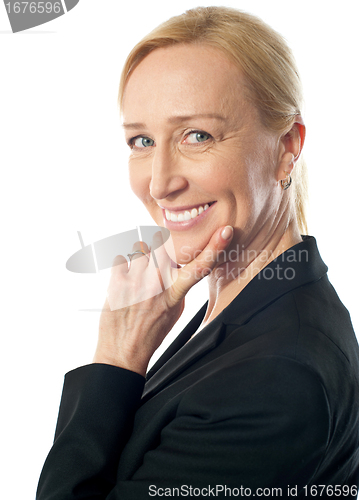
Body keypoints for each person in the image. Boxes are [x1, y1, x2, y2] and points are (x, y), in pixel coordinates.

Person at [36, 6, 359, 499]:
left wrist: (115, 358)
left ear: (287, 146)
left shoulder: (276, 379)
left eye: (197, 136)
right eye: (141, 140)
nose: (161, 182)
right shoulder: (243, 310)